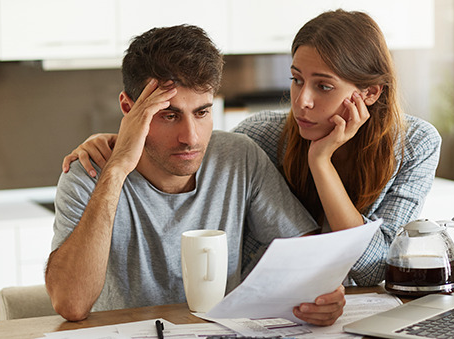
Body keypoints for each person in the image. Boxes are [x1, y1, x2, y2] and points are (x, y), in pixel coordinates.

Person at [61, 10, 442, 287]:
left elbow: (372, 268)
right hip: (274, 309)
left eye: (323, 86)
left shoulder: (415, 145)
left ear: (370, 93)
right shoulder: (259, 137)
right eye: (295, 80)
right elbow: (189, 150)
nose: (302, 101)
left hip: (347, 305)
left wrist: (320, 161)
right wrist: (119, 142)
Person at [45, 24, 346, 326]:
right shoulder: (88, 173)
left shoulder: (239, 157)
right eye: (169, 115)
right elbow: (71, 304)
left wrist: (323, 296)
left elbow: (308, 258)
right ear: (128, 108)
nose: (190, 137)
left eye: (202, 112)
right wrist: (117, 169)